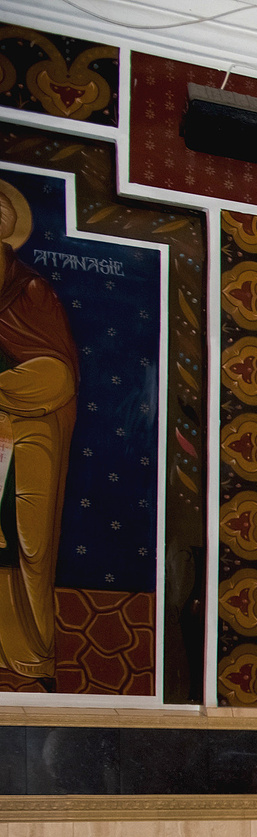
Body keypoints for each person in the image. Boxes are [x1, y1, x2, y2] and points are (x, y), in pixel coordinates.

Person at [0, 181, 79, 685]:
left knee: (24, 544)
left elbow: (57, 373)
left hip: (27, 435)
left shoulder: (28, 291)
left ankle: (27, 657)